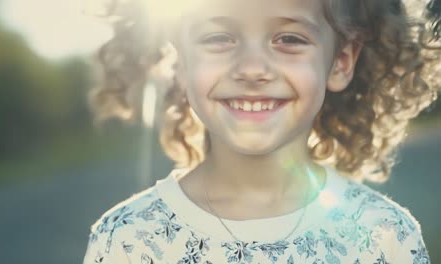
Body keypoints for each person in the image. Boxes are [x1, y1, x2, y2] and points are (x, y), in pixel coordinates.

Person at [83, 0, 441, 263]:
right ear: (180, 63)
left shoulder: (384, 236)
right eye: (218, 36)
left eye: (289, 38)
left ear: (341, 61)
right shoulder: (128, 240)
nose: (252, 69)